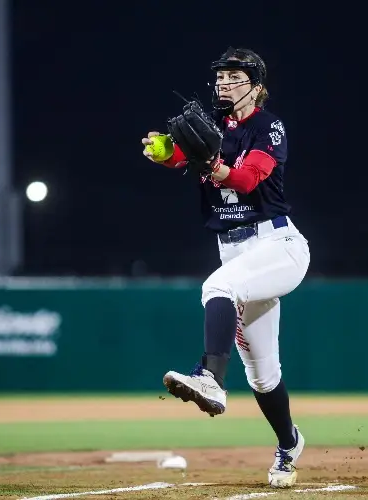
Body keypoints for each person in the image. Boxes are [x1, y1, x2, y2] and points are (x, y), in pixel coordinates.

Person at [141, 47, 311, 488]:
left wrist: (211, 164)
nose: (224, 84)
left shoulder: (268, 126)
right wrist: (164, 152)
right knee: (263, 375)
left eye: (235, 77)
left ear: (255, 85)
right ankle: (290, 443)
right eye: (220, 77)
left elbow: (247, 178)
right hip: (234, 250)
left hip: (278, 243)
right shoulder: (214, 127)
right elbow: (180, 155)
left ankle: (210, 378)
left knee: (217, 287)